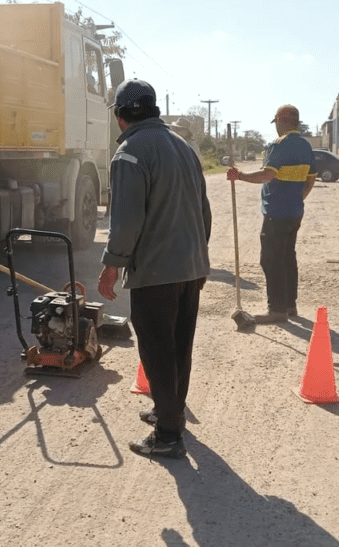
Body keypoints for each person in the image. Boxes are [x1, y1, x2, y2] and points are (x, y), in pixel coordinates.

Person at [97, 79, 212, 459]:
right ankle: (171, 415)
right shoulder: (184, 147)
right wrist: (197, 257)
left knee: (157, 350)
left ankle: (166, 436)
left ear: (120, 116)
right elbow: (204, 212)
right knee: (180, 346)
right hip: (190, 267)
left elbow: (126, 222)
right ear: (154, 110)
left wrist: (112, 266)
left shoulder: (129, 153)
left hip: (156, 271)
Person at [226, 105, 316, 323]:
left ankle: (276, 309)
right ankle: (289, 305)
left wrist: (240, 176)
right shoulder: (306, 146)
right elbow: (311, 179)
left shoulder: (278, 145)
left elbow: (267, 175)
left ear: (280, 120)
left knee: (271, 260)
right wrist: (298, 198)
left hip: (276, 212)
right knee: (287, 257)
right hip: (295, 212)